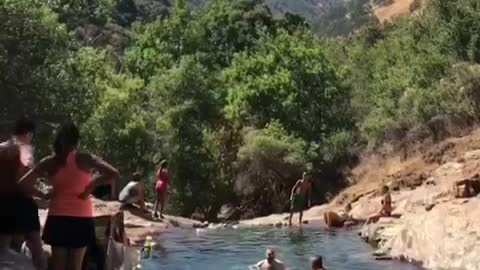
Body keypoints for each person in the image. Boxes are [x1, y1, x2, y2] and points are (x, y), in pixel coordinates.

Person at [18, 122, 119, 270]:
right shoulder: (85, 158)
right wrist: (90, 186)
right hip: (81, 218)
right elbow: (113, 173)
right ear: (77, 139)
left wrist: (44, 194)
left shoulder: (50, 161)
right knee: (75, 266)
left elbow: (23, 183)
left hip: (58, 218)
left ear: (59, 139)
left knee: (58, 266)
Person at [0, 117, 46, 270]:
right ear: (29, 133)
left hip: (2, 203)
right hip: (22, 203)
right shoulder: (24, 149)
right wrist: (40, 192)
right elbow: (23, 180)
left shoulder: (1, 148)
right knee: (36, 246)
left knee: (3, 249)